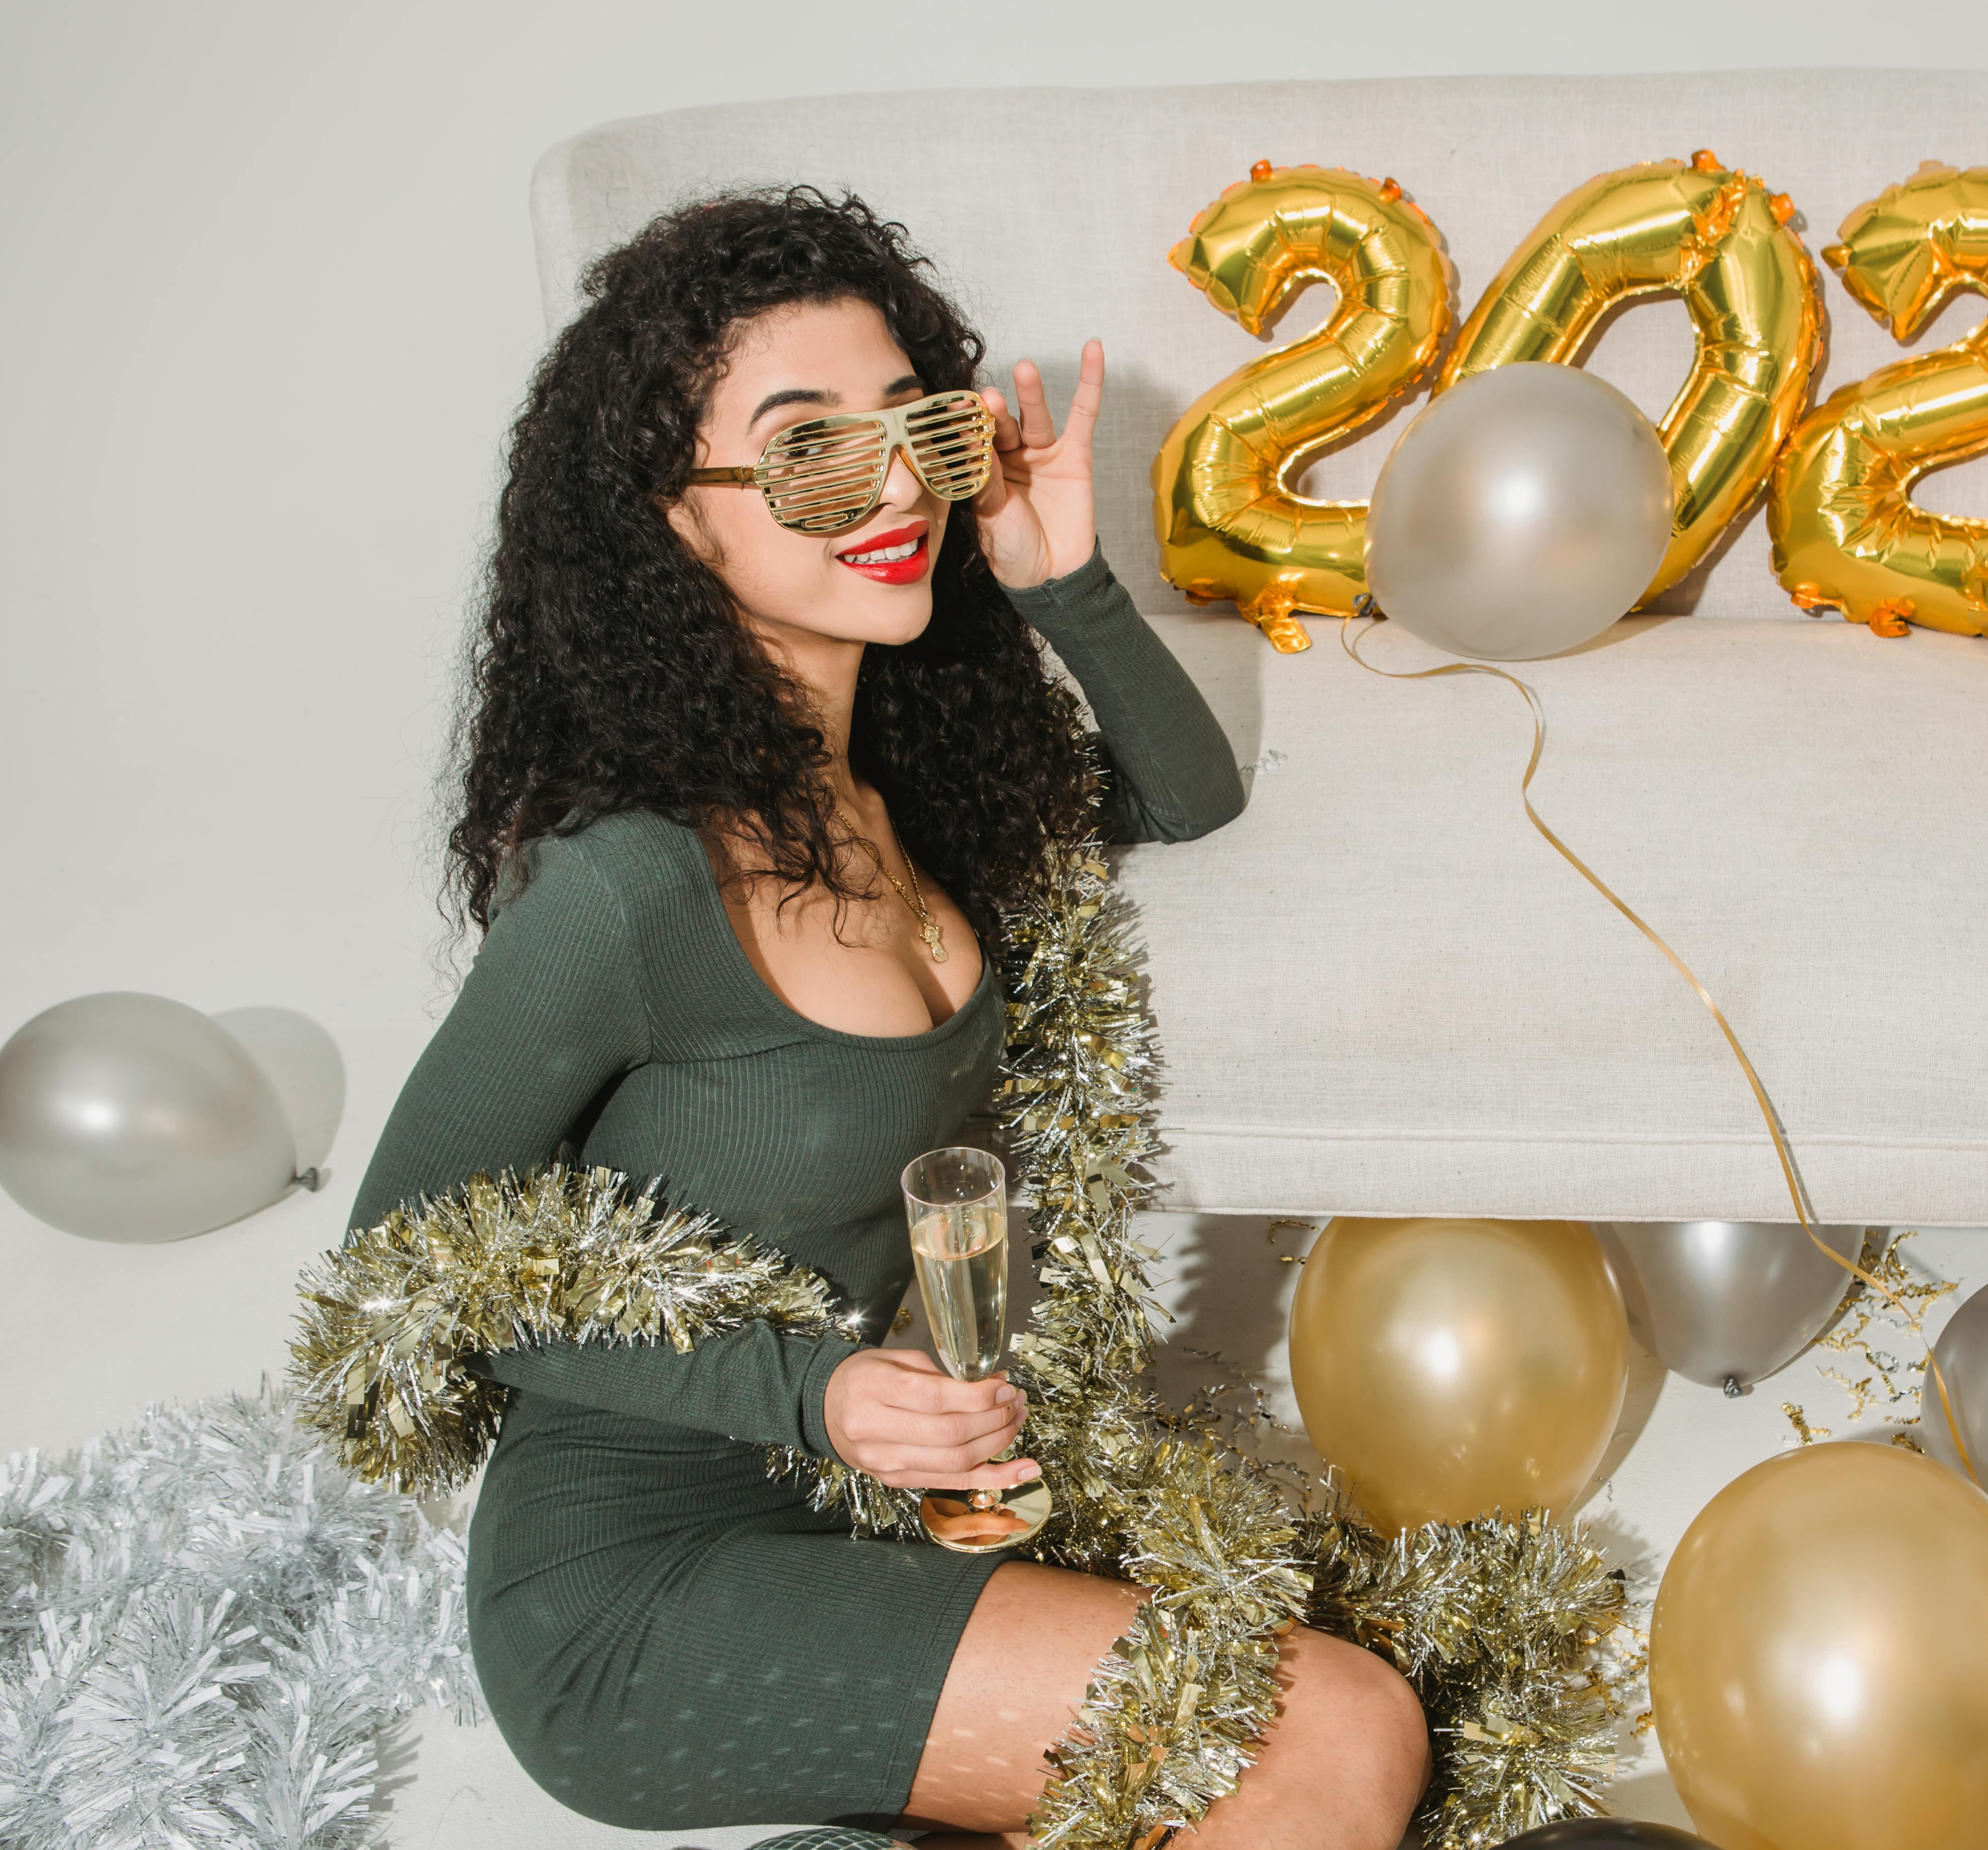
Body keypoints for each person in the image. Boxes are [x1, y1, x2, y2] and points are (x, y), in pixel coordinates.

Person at [347, 187, 1428, 1844]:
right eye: (809, 452)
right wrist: (813, 1395)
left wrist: (1060, 580)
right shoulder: (628, 892)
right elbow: (404, 1282)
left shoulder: (916, 798)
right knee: (1335, 1735)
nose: (895, 490)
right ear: (673, 517)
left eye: (914, 426)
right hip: (639, 1588)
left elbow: (1188, 794)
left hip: (890, 1515)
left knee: (1356, 1699)